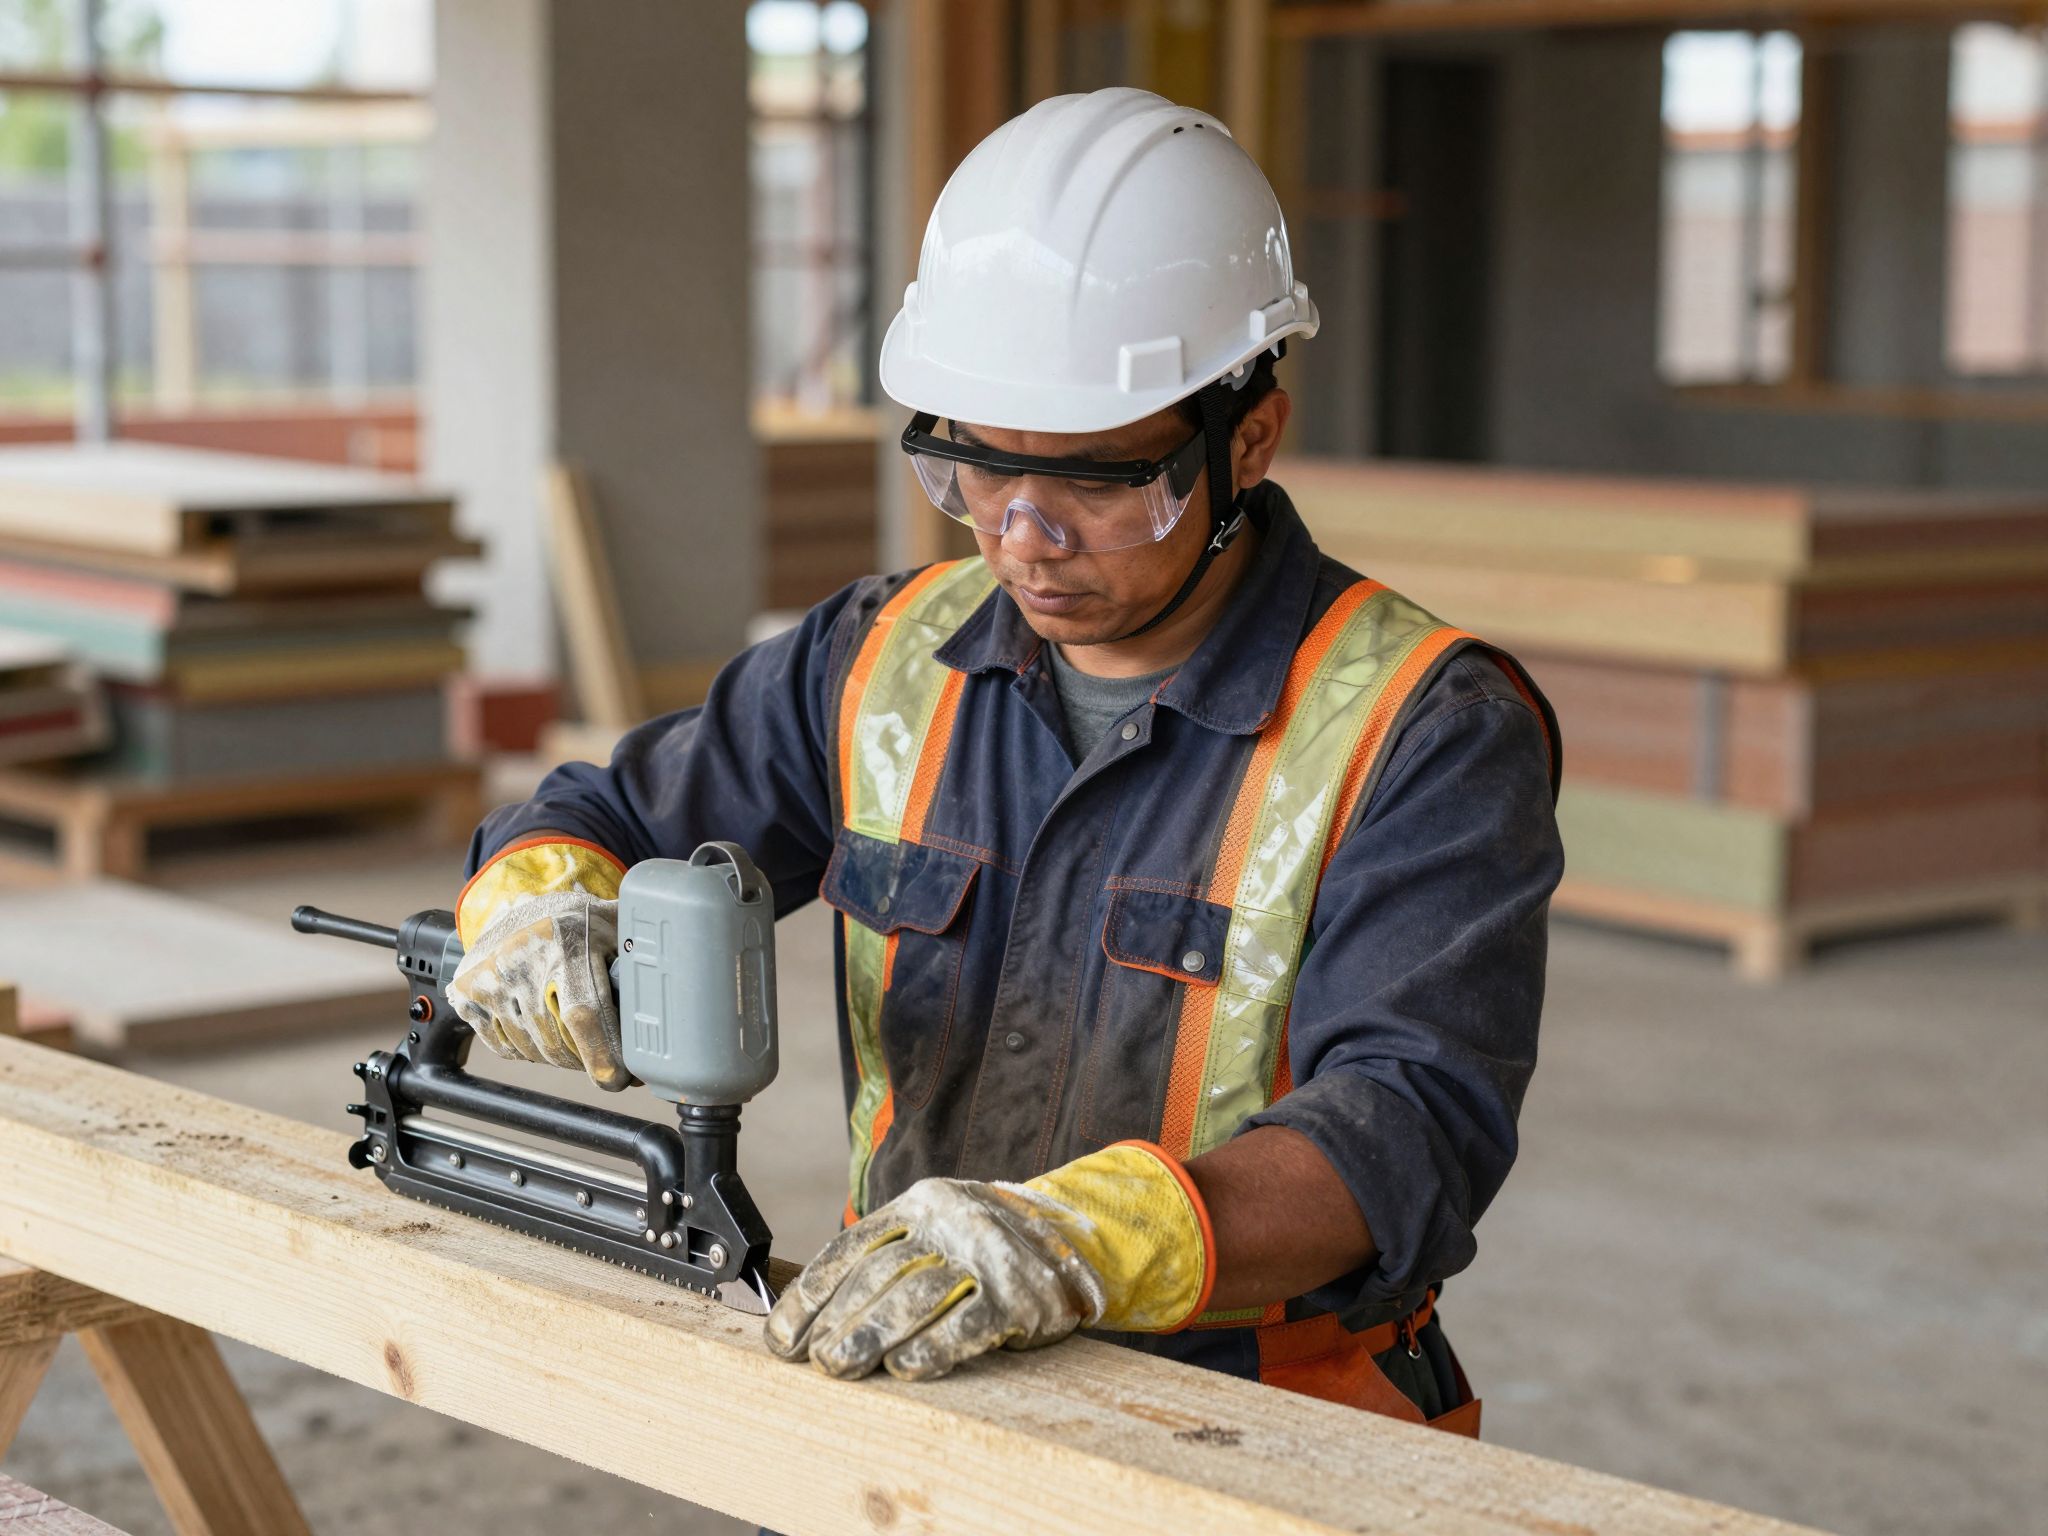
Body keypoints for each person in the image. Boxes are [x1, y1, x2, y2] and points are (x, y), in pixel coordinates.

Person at [446, 87, 1561, 1436]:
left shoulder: (1421, 727)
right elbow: (603, 813)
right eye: (974, 467)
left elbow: (1408, 1129)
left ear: (1249, 439)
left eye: (1099, 480)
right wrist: (537, 900)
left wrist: (1084, 1243)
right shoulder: (876, 660)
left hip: (1262, 1415)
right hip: (912, 1358)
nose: (1024, 537)